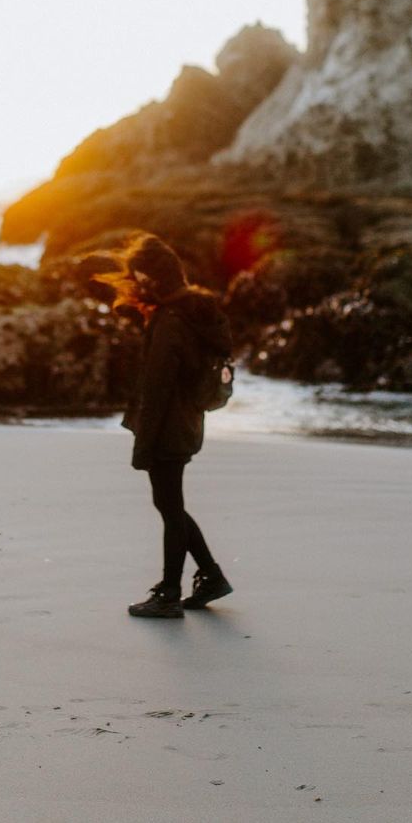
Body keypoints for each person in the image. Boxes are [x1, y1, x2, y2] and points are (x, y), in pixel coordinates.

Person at [99, 233, 234, 619]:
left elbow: (157, 390)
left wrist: (142, 446)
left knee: (170, 507)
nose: (136, 283)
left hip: (167, 427)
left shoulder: (170, 321)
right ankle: (209, 575)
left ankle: (170, 592)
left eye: (140, 276)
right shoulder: (193, 312)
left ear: (156, 277)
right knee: (169, 503)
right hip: (188, 422)